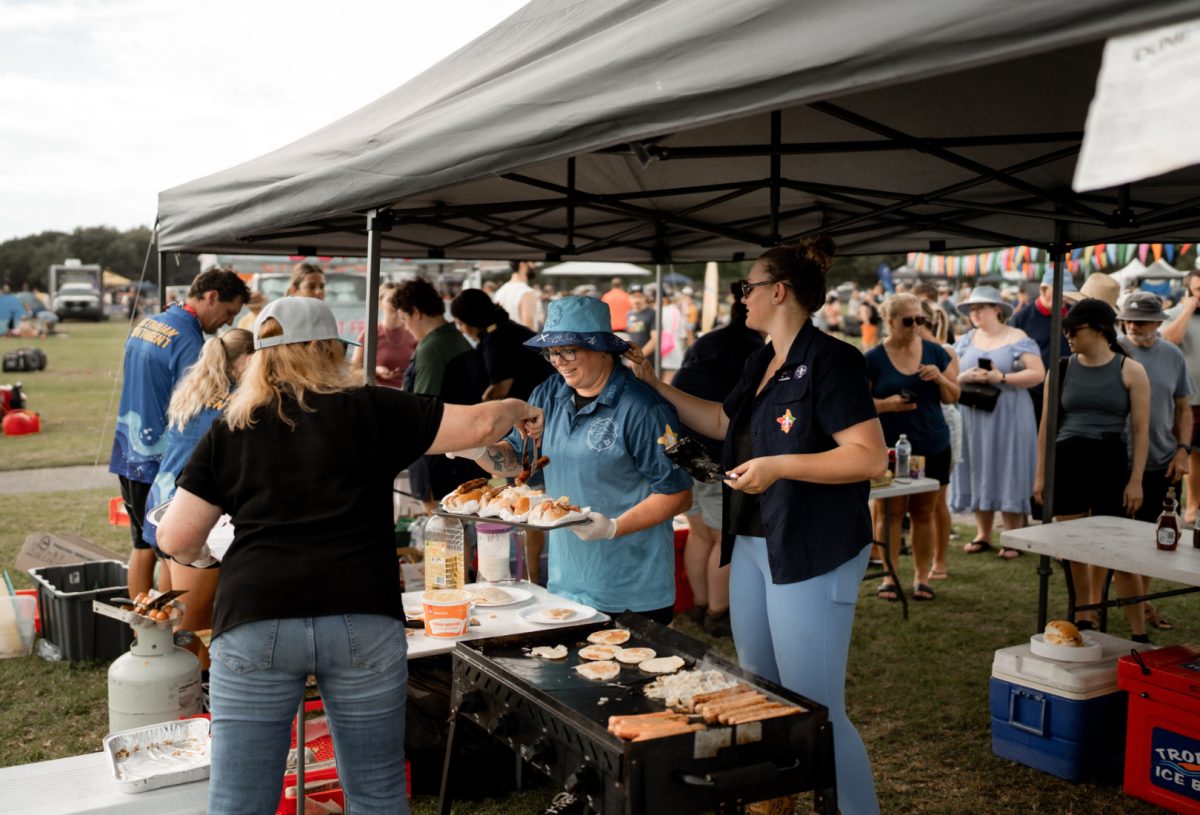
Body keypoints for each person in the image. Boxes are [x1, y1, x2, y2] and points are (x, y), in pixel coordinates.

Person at [156, 296, 541, 814]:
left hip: (256, 615)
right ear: (324, 348)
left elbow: (177, 538)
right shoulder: (373, 407)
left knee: (239, 800)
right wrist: (519, 407)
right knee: (376, 790)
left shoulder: (233, 427)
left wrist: (210, 554)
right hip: (362, 613)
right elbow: (478, 426)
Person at [629, 239, 887, 815]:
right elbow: (722, 421)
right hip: (750, 540)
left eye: (748, 286)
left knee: (816, 708)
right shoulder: (759, 357)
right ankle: (779, 800)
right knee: (763, 692)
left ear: (780, 291)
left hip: (811, 546)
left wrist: (779, 466)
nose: (741, 297)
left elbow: (869, 457)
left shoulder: (833, 359)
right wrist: (652, 383)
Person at [466, 295, 693, 623]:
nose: (559, 361)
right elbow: (518, 460)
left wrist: (613, 528)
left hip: (631, 590)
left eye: (569, 350)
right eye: (552, 352)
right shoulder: (548, 394)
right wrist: (475, 448)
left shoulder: (643, 408)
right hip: (566, 583)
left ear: (603, 348)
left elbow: (678, 494)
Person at [109, 267, 248, 599]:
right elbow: (193, 407)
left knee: (143, 546)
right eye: (229, 312)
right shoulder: (189, 342)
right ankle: (161, 631)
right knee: (171, 557)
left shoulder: (148, 323)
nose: (228, 323)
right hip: (161, 460)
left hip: (128, 449)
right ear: (211, 297)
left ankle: (142, 629)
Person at [1034, 298, 1150, 639]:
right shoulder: (1062, 368)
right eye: (1066, 329)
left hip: (1109, 459)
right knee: (1071, 545)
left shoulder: (1130, 370)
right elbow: (1046, 426)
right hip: (1068, 459)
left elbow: (1141, 431)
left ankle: (1120, 620)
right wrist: (1041, 475)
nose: (1068, 335)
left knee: (1111, 545)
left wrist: (1136, 480)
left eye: (1074, 329)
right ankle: (1084, 611)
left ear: (1100, 330)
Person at [143, 329, 254, 650]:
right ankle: (197, 693)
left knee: (168, 615)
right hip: (193, 516)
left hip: (161, 507)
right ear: (248, 360)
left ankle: (167, 684)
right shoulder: (240, 402)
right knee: (195, 628)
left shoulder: (195, 388)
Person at [669, 282, 766, 636]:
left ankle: (699, 604)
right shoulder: (751, 348)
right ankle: (716, 612)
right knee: (721, 536)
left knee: (699, 533)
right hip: (712, 451)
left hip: (680, 446)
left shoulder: (709, 340)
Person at [866, 293, 959, 602]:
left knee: (923, 513)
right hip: (888, 450)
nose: (916, 326)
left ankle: (922, 578)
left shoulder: (934, 352)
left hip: (931, 444)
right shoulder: (873, 358)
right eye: (909, 321)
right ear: (890, 322)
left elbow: (953, 397)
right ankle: (890, 578)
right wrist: (887, 404)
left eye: (921, 320)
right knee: (889, 512)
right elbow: (858, 405)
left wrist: (940, 380)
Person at [951, 285, 1045, 558]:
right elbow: (951, 374)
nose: (975, 312)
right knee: (978, 466)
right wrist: (963, 378)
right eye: (971, 308)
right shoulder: (967, 339)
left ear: (997, 310)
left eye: (980, 307)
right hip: (974, 414)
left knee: (1009, 465)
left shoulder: (1017, 337)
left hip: (1010, 413)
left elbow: (1038, 373)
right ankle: (983, 534)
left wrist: (1000, 379)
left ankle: (1012, 537)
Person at [1118, 292, 1193, 632]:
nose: (1134, 325)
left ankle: (1143, 603)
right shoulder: (1114, 350)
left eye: (1142, 320)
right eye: (1129, 319)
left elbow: (1183, 408)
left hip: (1160, 458)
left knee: (1151, 539)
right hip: (1118, 457)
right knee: (1113, 536)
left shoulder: (1173, 355)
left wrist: (1183, 450)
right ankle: (1106, 607)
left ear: (1158, 323)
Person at [394, 278, 489, 506]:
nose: (406, 327)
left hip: (440, 458)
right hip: (468, 451)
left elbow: (422, 407)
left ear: (415, 312)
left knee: (446, 535)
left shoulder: (431, 349)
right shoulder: (459, 338)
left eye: (405, 320)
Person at [918, 300, 962, 580]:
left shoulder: (943, 350)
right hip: (915, 424)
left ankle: (940, 560)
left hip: (944, 420)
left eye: (913, 321)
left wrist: (937, 379)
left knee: (938, 499)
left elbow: (955, 389)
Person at [449, 287, 554, 402]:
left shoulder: (496, 339)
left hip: (539, 401)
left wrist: (478, 410)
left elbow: (500, 390)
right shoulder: (503, 327)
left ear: (471, 320)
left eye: (460, 324)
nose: (461, 330)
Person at [1010, 268, 1075, 429]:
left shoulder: (1073, 315)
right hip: (1033, 395)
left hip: (1068, 393)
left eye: (1067, 293)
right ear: (1043, 289)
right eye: (1060, 292)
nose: (1064, 298)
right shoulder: (1022, 318)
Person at [1160, 269, 1200, 524]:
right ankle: (1176, 509)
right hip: (1186, 402)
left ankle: (1194, 506)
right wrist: (1187, 309)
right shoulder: (1174, 314)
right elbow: (1170, 340)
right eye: (1198, 290)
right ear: (1187, 291)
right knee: (1181, 455)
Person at [349, 281, 416, 388]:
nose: (395, 304)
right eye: (390, 300)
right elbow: (353, 371)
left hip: (408, 394)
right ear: (380, 303)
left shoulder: (413, 332)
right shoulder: (369, 334)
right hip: (380, 394)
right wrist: (375, 370)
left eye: (399, 300)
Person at [494, 261, 540, 329]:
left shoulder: (500, 292)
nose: (535, 266)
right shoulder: (527, 292)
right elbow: (529, 330)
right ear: (522, 264)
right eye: (532, 262)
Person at [625, 286, 657, 362]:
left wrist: (638, 357)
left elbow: (655, 340)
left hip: (648, 362)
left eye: (640, 296)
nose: (637, 300)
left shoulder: (652, 313)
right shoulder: (629, 314)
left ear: (645, 297)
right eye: (634, 296)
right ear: (629, 298)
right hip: (632, 361)